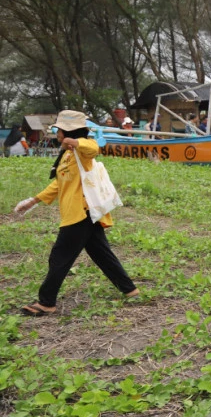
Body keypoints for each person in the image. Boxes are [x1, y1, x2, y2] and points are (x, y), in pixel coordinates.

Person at [12, 110, 139, 315]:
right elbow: (60, 183)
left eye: (59, 129)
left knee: (59, 257)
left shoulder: (80, 149)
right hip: (84, 213)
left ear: (67, 130)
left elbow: (94, 147)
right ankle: (130, 290)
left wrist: (75, 142)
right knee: (102, 254)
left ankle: (46, 302)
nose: (57, 133)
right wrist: (33, 201)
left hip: (81, 213)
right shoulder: (68, 154)